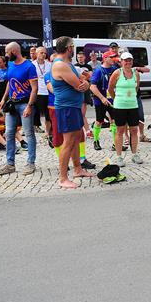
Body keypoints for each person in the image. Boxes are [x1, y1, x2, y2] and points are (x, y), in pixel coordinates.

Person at [50, 36, 93, 189]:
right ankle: (63, 178)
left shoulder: (68, 64)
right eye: (73, 47)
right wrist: (85, 83)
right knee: (68, 142)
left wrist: (85, 82)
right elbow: (79, 85)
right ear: (69, 48)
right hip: (66, 108)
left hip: (73, 107)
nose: (74, 49)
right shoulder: (60, 65)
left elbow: (84, 79)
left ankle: (77, 169)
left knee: (75, 138)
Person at [0, 42, 38, 176]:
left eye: (7, 52)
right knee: (9, 133)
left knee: (29, 133)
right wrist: (3, 99)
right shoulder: (11, 64)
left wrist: (29, 106)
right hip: (12, 104)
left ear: (14, 51)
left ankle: (30, 163)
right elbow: (10, 82)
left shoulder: (29, 66)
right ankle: (10, 164)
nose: (6, 55)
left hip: (25, 103)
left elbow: (34, 88)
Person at [107, 52, 143, 166]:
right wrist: (116, 99)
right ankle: (119, 157)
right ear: (121, 62)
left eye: (130, 60)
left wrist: (131, 97)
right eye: (125, 60)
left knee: (134, 130)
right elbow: (110, 88)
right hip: (120, 106)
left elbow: (136, 88)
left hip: (133, 105)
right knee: (120, 131)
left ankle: (134, 154)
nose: (128, 62)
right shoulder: (117, 73)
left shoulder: (136, 73)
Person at [89, 51, 118, 151]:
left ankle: (115, 143)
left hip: (112, 99)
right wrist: (102, 98)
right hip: (100, 100)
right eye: (111, 57)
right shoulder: (98, 71)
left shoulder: (114, 69)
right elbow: (92, 87)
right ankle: (96, 141)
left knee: (114, 121)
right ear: (105, 58)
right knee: (99, 121)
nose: (113, 59)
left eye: (114, 57)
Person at [32, 47, 52, 139]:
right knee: (35, 112)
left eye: (45, 53)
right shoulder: (32, 65)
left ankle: (48, 132)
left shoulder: (49, 65)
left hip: (48, 92)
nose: (44, 55)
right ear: (36, 54)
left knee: (48, 114)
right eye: (41, 53)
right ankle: (34, 128)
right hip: (37, 91)